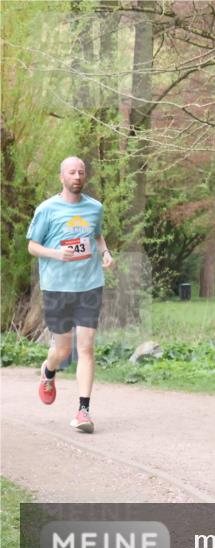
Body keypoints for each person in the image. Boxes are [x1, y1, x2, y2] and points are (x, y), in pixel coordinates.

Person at [26, 156, 115, 433]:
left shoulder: (95, 208)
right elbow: (32, 246)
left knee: (86, 347)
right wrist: (56, 253)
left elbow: (96, 235)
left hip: (89, 284)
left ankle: (83, 411)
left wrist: (106, 252)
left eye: (81, 172)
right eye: (71, 172)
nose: (77, 176)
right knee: (62, 350)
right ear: (61, 176)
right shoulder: (47, 209)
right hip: (57, 286)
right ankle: (48, 371)